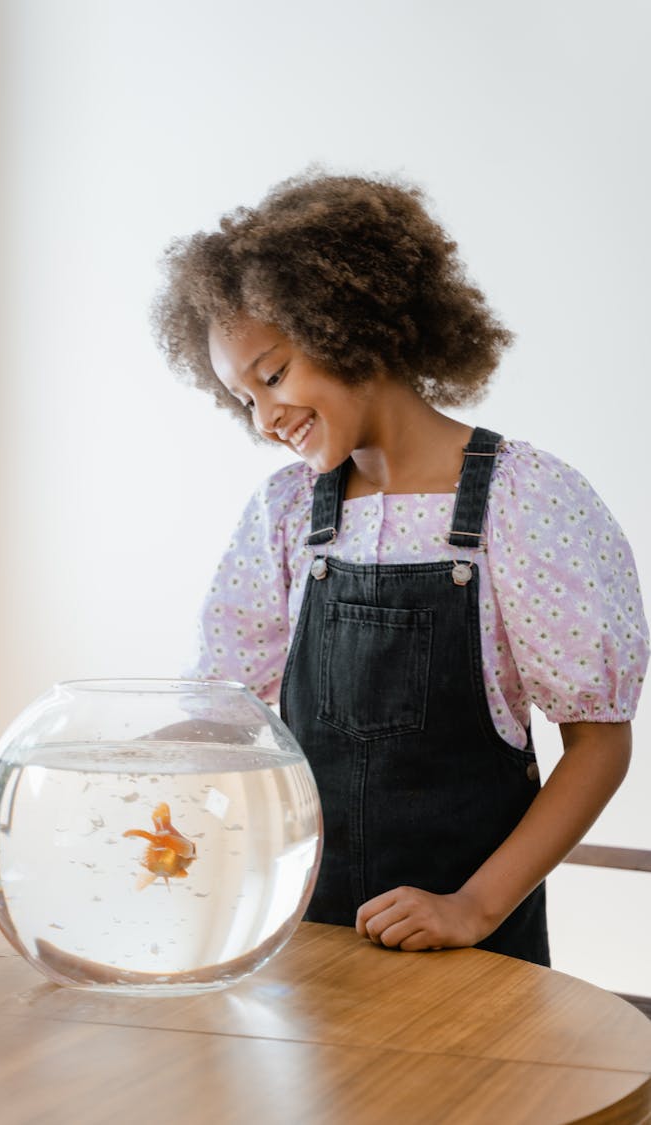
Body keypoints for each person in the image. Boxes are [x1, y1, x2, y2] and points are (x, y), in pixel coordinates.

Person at [152, 170, 649, 965]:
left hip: (471, 964)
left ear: (349, 323)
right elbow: (228, 710)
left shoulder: (521, 502)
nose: (265, 418)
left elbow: (600, 744)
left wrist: (472, 907)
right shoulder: (286, 515)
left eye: (273, 375)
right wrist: (127, 758)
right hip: (310, 953)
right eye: (243, 400)